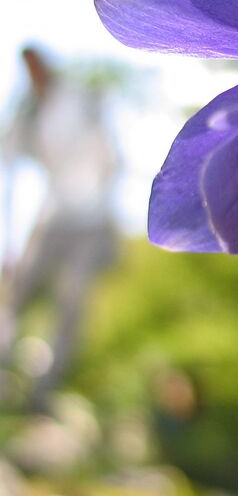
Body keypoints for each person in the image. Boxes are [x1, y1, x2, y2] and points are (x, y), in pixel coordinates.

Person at [0, 47, 117, 411]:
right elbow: (9, 168)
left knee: (71, 303)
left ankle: (43, 388)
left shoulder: (79, 98)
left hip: (91, 217)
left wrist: (106, 192)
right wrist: (8, 242)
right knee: (18, 288)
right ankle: (6, 359)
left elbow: (110, 153)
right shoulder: (29, 113)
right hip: (52, 216)